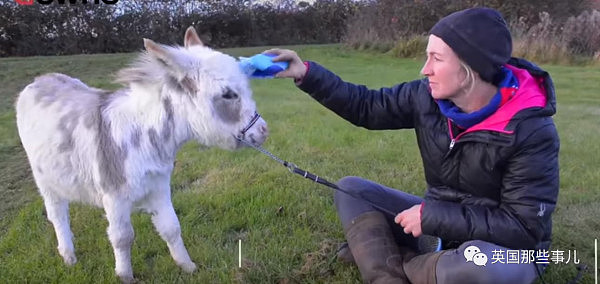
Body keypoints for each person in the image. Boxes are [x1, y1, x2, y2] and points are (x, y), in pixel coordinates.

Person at [265, 7, 559, 284]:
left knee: (480, 267)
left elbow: (523, 228)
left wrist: (430, 216)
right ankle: (396, 274)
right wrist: (305, 73)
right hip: (435, 231)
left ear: (472, 68)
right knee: (352, 190)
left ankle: (388, 260)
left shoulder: (531, 131)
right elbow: (366, 106)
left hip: (504, 250)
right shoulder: (425, 97)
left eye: (437, 59)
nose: (424, 69)